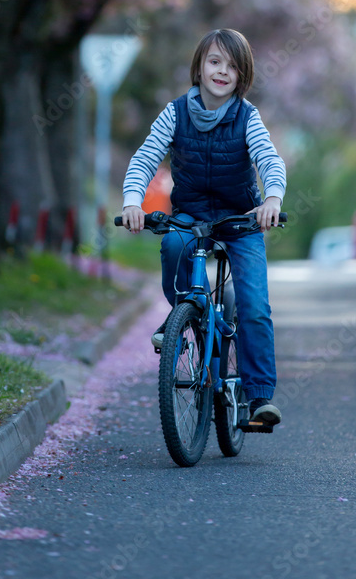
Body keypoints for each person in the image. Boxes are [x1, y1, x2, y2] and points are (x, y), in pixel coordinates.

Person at [122, 28, 286, 427]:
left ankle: (258, 396)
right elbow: (145, 158)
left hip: (240, 219)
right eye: (214, 62)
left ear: (242, 76)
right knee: (173, 246)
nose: (222, 71)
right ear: (198, 67)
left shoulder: (247, 117)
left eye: (232, 66)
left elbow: (269, 160)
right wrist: (132, 202)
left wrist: (272, 199)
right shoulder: (175, 113)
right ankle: (183, 312)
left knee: (254, 305)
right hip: (191, 216)